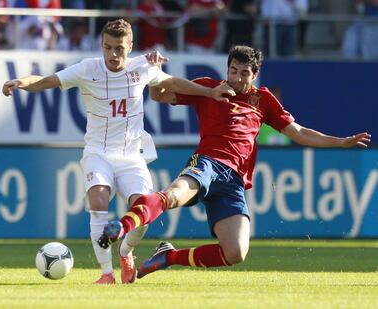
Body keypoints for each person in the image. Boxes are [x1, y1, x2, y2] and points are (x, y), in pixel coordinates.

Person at [97, 45, 371, 279]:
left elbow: (298, 132)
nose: (237, 79)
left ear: (255, 75)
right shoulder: (208, 88)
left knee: (236, 252)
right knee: (172, 195)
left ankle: (169, 257)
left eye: (244, 73)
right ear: (227, 69)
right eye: (233, 71)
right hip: (207, 164)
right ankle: (122, 226)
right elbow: (159, 95)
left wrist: (340, 141)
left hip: (234, 182)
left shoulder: (263, 100)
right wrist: (154, 74)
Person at [1, 19, 232, 285]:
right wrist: (20, 82)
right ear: (101, 45)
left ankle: (126, 251)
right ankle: (107, 273)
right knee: (98, 200)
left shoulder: (142, 68)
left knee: (143, 211)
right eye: (107, 47)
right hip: (98, 152)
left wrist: (209, 91)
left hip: (132, 156)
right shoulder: (88, 68)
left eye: (119, 48)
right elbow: (46, 80)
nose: (112, 54)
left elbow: (175, 83)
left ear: (130, 47)